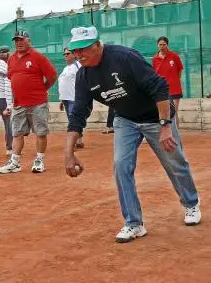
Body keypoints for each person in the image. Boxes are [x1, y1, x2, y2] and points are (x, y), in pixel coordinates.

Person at [64, 26, 201, 243]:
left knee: (175, 162)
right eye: (76, 50)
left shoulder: (125, 57)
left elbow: (159, 87)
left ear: (98, 45)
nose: (79, 55)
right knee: (121, 166)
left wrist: (165, 125)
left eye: (84, 49)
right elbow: (78, 113)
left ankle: (191, 203)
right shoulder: (83, 76)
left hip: (156, 117)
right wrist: (68, 153)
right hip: (126, 120)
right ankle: (134, 223)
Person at [0, 30, 57, 174]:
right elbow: (12, 78)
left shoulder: (38, 57)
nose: (19, 43)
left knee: (40, 132)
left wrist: (43, 89)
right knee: (17, 133)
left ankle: (39, 161)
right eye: (16, 40)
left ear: (28, 41)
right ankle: (15, 163)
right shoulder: (11, 59)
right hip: (19, 103)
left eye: (22, 40)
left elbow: (52, 76)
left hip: (38, 102)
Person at [152, 36, 184, 128]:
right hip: (161, 90)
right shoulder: (155, 59)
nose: (162, 46)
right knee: (162, 113)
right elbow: (155, 73)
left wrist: (176, 81)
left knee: (173, 112)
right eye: (160, 45)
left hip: (174, 89)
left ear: (167, 45)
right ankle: (164, 131)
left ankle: (175, 133)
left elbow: (180, 70)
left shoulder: (174, 56)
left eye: (164, 44)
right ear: (157, 45)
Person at [58, 48, 84, 148]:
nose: (66, 55)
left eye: (68, 53)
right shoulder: (66, 68)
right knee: (72, 120)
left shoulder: (78, 65)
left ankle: (73, 143)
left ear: (74, 55)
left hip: (74, 98)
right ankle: (79, 141)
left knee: (73, 121)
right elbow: (63, 84)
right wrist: (61, 100)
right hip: (65, 99)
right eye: (64, 54)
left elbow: (83, 80)